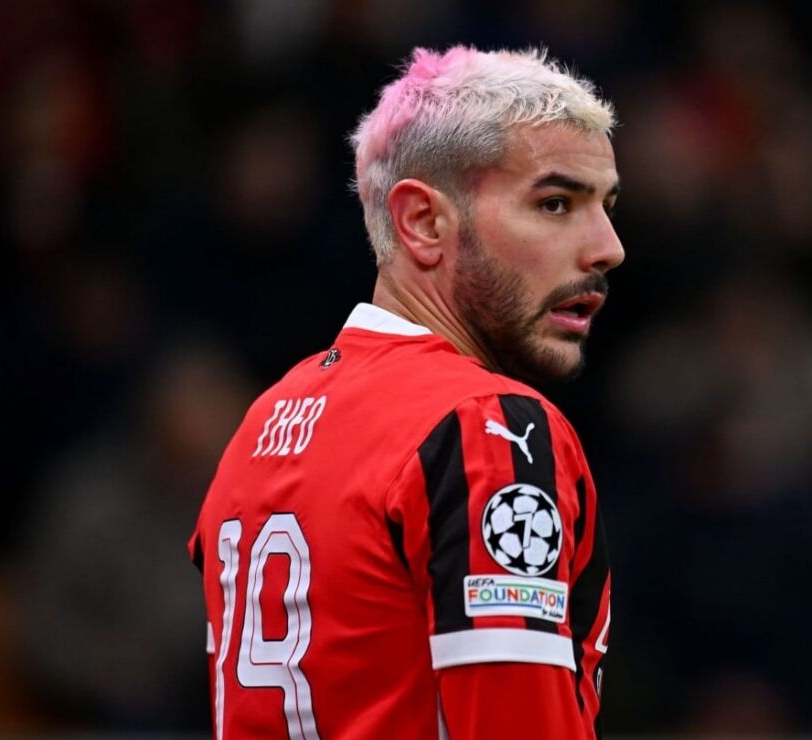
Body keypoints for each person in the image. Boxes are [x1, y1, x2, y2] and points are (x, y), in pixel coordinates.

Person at [188, 46, 623, 739]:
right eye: (555, 203)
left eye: (605, 205)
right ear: (422, 221)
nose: (608, 247)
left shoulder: (261, 424)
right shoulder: (486, 426)